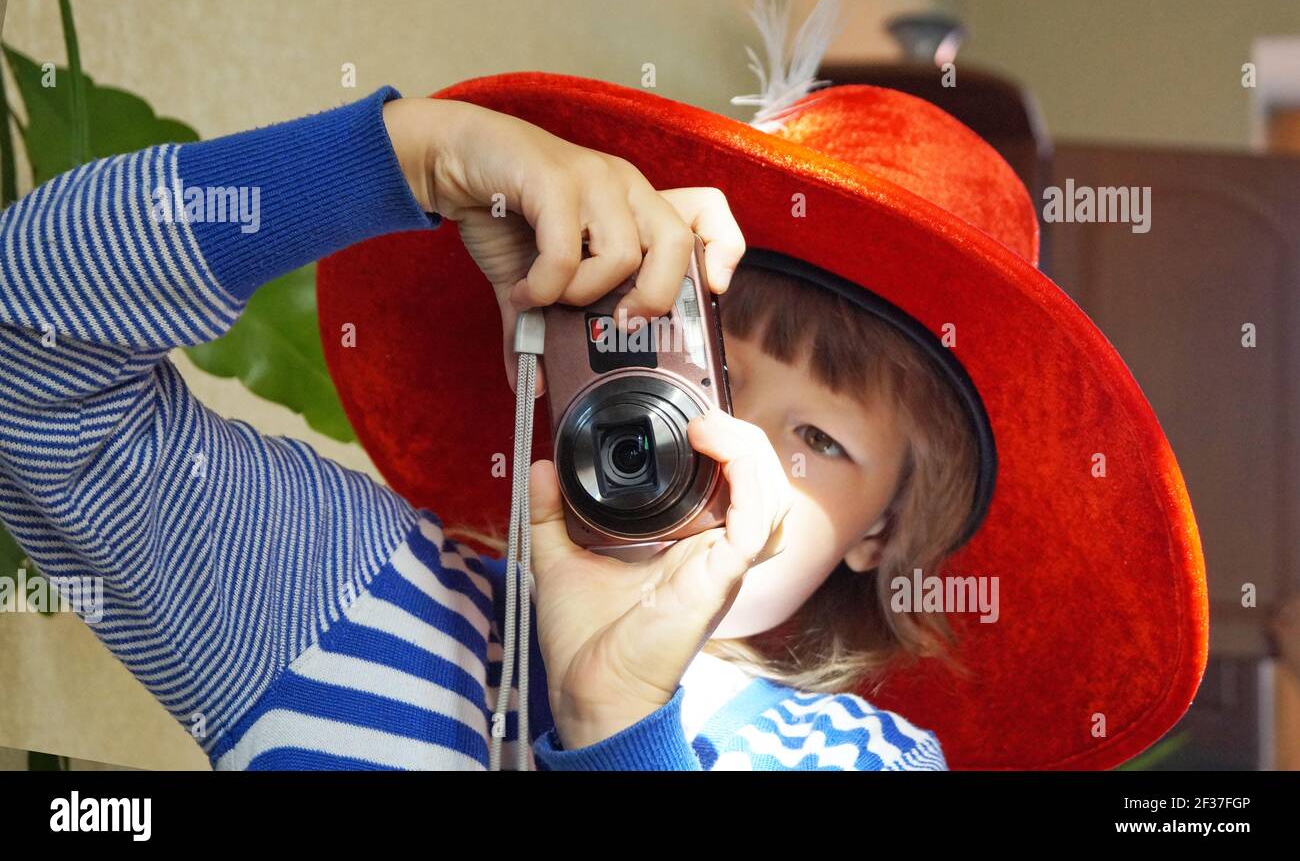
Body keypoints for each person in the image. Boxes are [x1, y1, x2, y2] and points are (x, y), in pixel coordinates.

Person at [0, 83, 949, 770]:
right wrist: (411, 154)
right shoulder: (354, 589)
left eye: (820, 440)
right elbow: (23, 357)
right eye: (703, 371)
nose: (716, 443)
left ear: (879, 529)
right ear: (579, 347)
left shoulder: (868, 761)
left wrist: (615, 724)